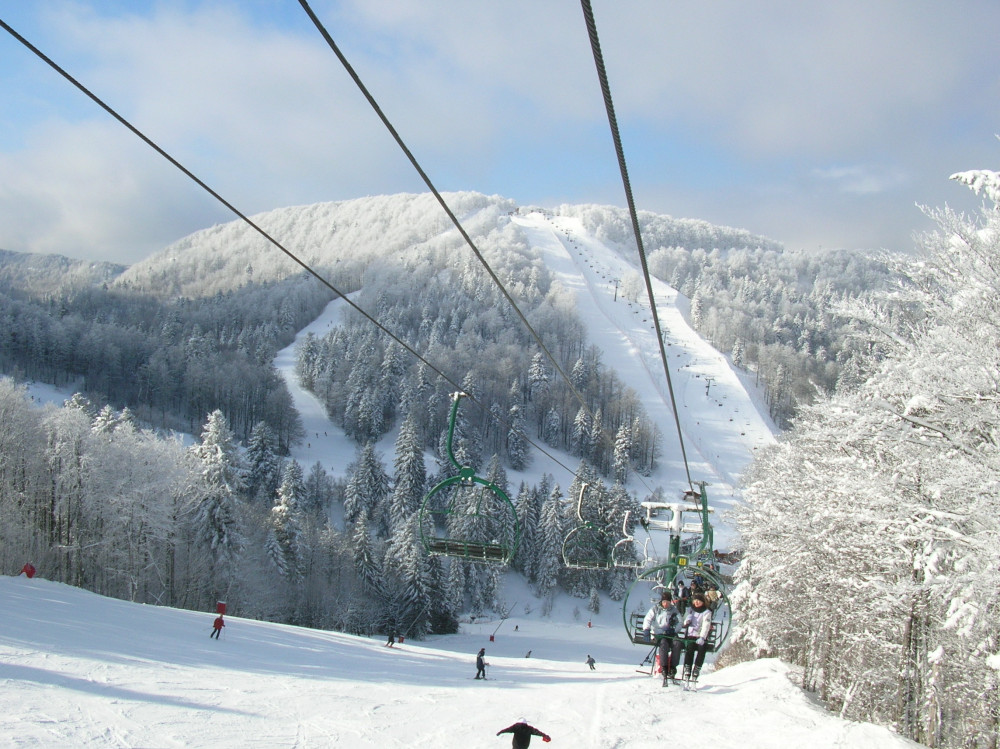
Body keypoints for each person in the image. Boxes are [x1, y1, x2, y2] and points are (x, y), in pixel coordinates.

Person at [670, 593, 713, 682]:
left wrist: (702, 637)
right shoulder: (690, 610)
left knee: (702, 648)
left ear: (702, 602)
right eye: (695, 601)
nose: (696, 602)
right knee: (689, 648)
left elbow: (706, 625)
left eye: (698, 601)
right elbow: (684, 620)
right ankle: (687, 667)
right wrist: (687, 620)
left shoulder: (706, 612)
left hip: (700, 635)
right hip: (691, 634)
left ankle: (697, 667)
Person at [642, 590, 680, 684]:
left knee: (677, 643)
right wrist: (646, 630)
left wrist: (674, 630)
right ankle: (664, 667)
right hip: (659, 634)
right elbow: (647, 619)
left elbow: (680, 621)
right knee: (663, 644)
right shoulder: (655, 609)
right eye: (664, 602)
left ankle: (673, 667)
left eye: (667, 602)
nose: (665, 604)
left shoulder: (674, 610)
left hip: (670, 634)